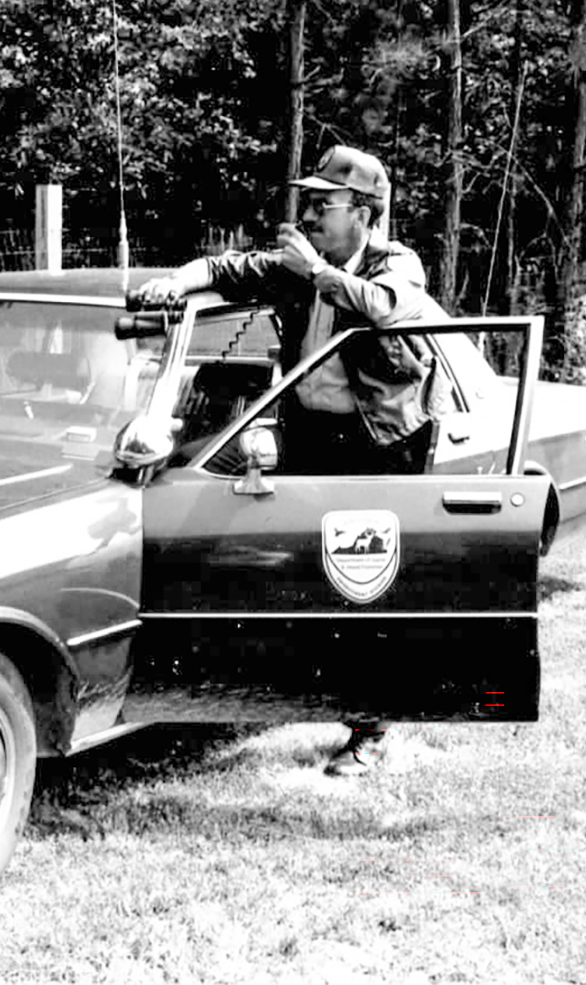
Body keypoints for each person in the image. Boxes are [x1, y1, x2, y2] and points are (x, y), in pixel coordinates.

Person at [135, 144, 442, 776]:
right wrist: (176, 281)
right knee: (309, 580)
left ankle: (372, 732)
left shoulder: (396, 263)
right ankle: (304, 695)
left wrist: (317, 274)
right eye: (306, 203)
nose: (308, 216)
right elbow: (227, 269)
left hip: (378, 446)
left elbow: (387, 308)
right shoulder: (297, 265)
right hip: (312, 440)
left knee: (367, 587)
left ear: (362, 213)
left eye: (321, 204)